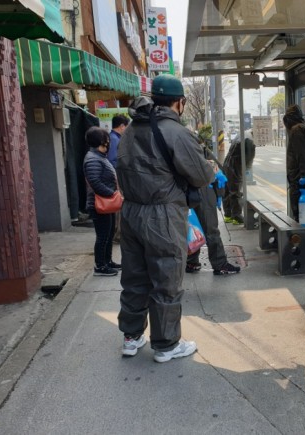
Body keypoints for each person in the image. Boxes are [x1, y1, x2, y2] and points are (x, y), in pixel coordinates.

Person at [116, 74, 215, 363]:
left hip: (131, 211)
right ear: (179, 102)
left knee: (134, 276)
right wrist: (207, 165)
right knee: (166, 278)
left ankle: (131, 337)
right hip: (162, 214)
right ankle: (166, 344)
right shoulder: (176, 132)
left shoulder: (132, 129)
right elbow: (200, 174)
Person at [186, 155, 241, 275]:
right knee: (210, 228)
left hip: (188, 185)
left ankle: (191, 261)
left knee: (195, 225)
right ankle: (220, 264)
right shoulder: (183, 139)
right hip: (202, 184)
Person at [83, 126, 121, 277]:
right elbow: (95, 182)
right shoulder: (93, 158)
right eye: (106, 139)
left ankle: (107, 261)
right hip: (100, 204)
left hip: (106, 203)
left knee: (109, 234)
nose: (108, 142)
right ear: (101, 141)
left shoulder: (99, 157)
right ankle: (100, 266)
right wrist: (113, 194)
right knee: (103, 236)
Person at [283, 105, 305, 245]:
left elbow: (303, 156)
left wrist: (302, 177)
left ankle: (303, 242)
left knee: (301, 212)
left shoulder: (296, 130)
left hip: (300, 179)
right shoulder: (304, 127)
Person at [222, 130, 256, 224]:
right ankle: (236, 216)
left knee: (227, 190)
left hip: (227, 163)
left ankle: (228, 215)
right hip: (236, 166)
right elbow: (248, 161)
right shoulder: (249, 140)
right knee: (235, 191)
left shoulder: (242, 135)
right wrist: (246, 170)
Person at [108, 115, 129, 243]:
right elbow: (113, 161)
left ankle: (118, 233)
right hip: (117, 177)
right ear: (121, 126)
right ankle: (118, 234)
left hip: (116, 177)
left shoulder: (114, 138)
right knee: (118, 205)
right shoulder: (115, 140)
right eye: (126, 127)